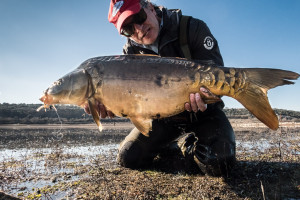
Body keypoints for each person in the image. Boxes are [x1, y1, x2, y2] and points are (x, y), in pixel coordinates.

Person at [87, 0, 236, 176]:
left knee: (219, 161)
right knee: (128, 158)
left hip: (205, 113)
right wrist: (113, 106)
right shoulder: (128, 56)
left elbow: (218, 77)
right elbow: (134, 102)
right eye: (129, 29)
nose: (139, 29)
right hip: (163, 119)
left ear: (150, 8)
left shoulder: (192, 27)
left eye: (139, 18)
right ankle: (170, 144)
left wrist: (205, 98)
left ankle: (188, 145)